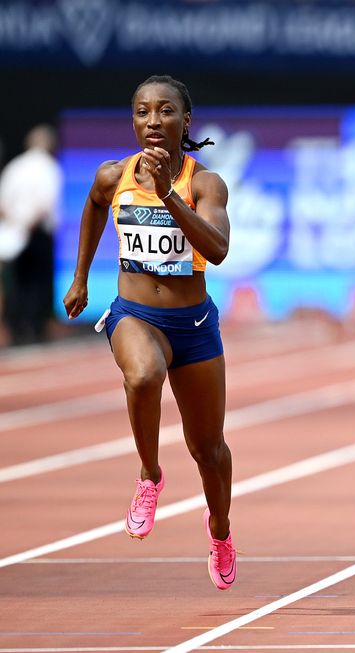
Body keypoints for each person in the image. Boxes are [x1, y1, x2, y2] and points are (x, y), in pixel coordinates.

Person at [62, 75, 237, 589]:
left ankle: (221, 530)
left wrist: (167, 196)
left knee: (209, 449)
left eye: (165, 112)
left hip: (195, 322)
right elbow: (94, 208)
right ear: (133, 120)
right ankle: (149, 475)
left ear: (186, 121)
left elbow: (219, 249)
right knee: (143, 375)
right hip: (135, 314)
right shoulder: (113, 175)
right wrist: (79, 278)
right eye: (142, 112)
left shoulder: (205, 183)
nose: (153, 122)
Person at [0, 124, 62, 345]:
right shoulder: (48, 167)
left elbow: (3, 202)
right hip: (36, 233)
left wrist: (14, 225)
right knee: (38, 282)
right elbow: (45, 203)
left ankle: (16, 326)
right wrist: (29, 225)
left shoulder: (15, 167)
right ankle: (35, 327)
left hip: (14, 233)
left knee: (18, 282)